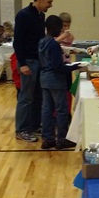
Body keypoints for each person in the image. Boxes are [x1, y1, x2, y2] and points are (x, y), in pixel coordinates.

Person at [13, 0, 53, 142]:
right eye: (49, 1)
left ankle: (34, 126)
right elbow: (18, 41)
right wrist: (22, 63)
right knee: (26, 97)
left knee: (38, 96)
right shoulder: (23, 15)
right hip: (28, 62)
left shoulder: (40, 16)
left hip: (38, 62)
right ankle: (21, 129)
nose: (50, 5)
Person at [38, 15, 82, 149]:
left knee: (47, 109)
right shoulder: (54, 44)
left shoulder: (42, 41)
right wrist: (76, 66)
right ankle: (62, 139)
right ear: (55, 28)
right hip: (56, 80)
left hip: (44, 78)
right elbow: (59, 67)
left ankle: (47, 138)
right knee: (61, 110)